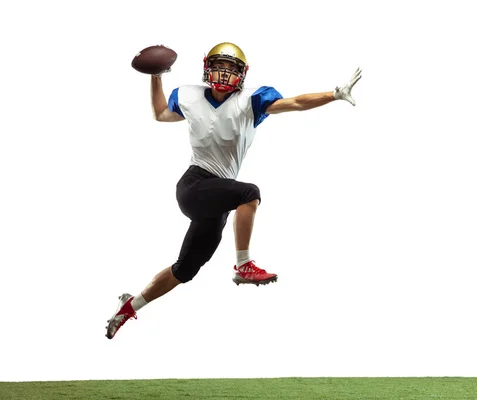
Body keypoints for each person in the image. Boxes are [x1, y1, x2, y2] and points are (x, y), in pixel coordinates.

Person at [105, 42, 361, 339]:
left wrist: (334, 94)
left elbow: (295, 103)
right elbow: (161, 113)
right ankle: (243, 265)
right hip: (194, 185)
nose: (224, 74)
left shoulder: (251, 101)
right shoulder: (189, 96)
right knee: (248, 192)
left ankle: (129, 306)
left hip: (217, 200)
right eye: (219, 67)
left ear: (241, 74)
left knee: (184, 270)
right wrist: (156, 76)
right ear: (207, 68)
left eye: (230, 69)